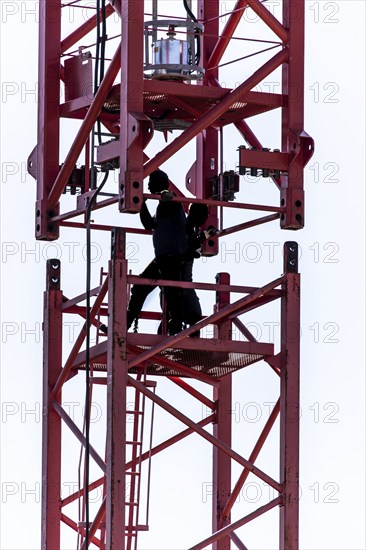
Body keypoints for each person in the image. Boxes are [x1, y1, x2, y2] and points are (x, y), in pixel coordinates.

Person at [126, 170, 209, 335]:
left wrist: (162, 195)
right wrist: (141, 203)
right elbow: (149, 224)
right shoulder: (164, 208)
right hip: (164, 259)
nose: (148, 185)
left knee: (171, 294)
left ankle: (174, 327)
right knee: (144, 289)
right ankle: (126, 322)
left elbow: (168, 197)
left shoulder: (171, 202)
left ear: (161, 183)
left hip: (170, 259)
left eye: (151, 181)